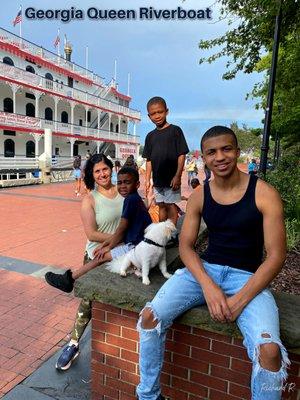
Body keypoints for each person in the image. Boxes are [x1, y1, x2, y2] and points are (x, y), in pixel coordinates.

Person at [136, 125, 289, 400]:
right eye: (212, 152)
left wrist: (240, 300)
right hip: (205, 271)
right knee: (150, 317)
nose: (220, 157)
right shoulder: (200, 195)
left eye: (226, 149)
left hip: (247, 277)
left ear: (237, 152)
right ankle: (147, 395)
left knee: (270, 351)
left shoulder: (264, 194)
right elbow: (185, 245)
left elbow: (276, 256)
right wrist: (208, 286)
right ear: (203, 158)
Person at [51, 153, 123, 370]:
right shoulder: (89, 199)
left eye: (105, 169)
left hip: (121, 254)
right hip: (96, 255)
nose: (102, 174)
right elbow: (91, 234)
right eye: (97, 171)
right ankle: (73, 343)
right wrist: (120, 238)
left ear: (112, 169)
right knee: (87, 304)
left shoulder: (124, 192)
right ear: (92, 175)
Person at [45, 166, 152, 293]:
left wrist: (108, 247)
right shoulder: (135, 198)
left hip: (135, 247)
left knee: (101, 258)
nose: (122, 186)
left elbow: (122, 228)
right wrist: (107, 243)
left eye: (127, 182)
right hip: (139, 243)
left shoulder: (130, 200)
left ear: (137, 184)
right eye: (120, 182)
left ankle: (69, 280)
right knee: (103, 252)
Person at [143, 96, 189, 225]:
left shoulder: (175, 131)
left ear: (166, 111)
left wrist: (178, 176)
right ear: (149, 116)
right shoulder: (150, 136)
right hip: (158, 180)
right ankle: (163, 232)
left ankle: (172, 233)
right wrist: (147, 180)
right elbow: (149, 160)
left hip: (171, 179)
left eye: (160, 112)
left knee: (171, 206)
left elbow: (181, 154)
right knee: (160, 205)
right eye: (153, 114)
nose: (157, 116)